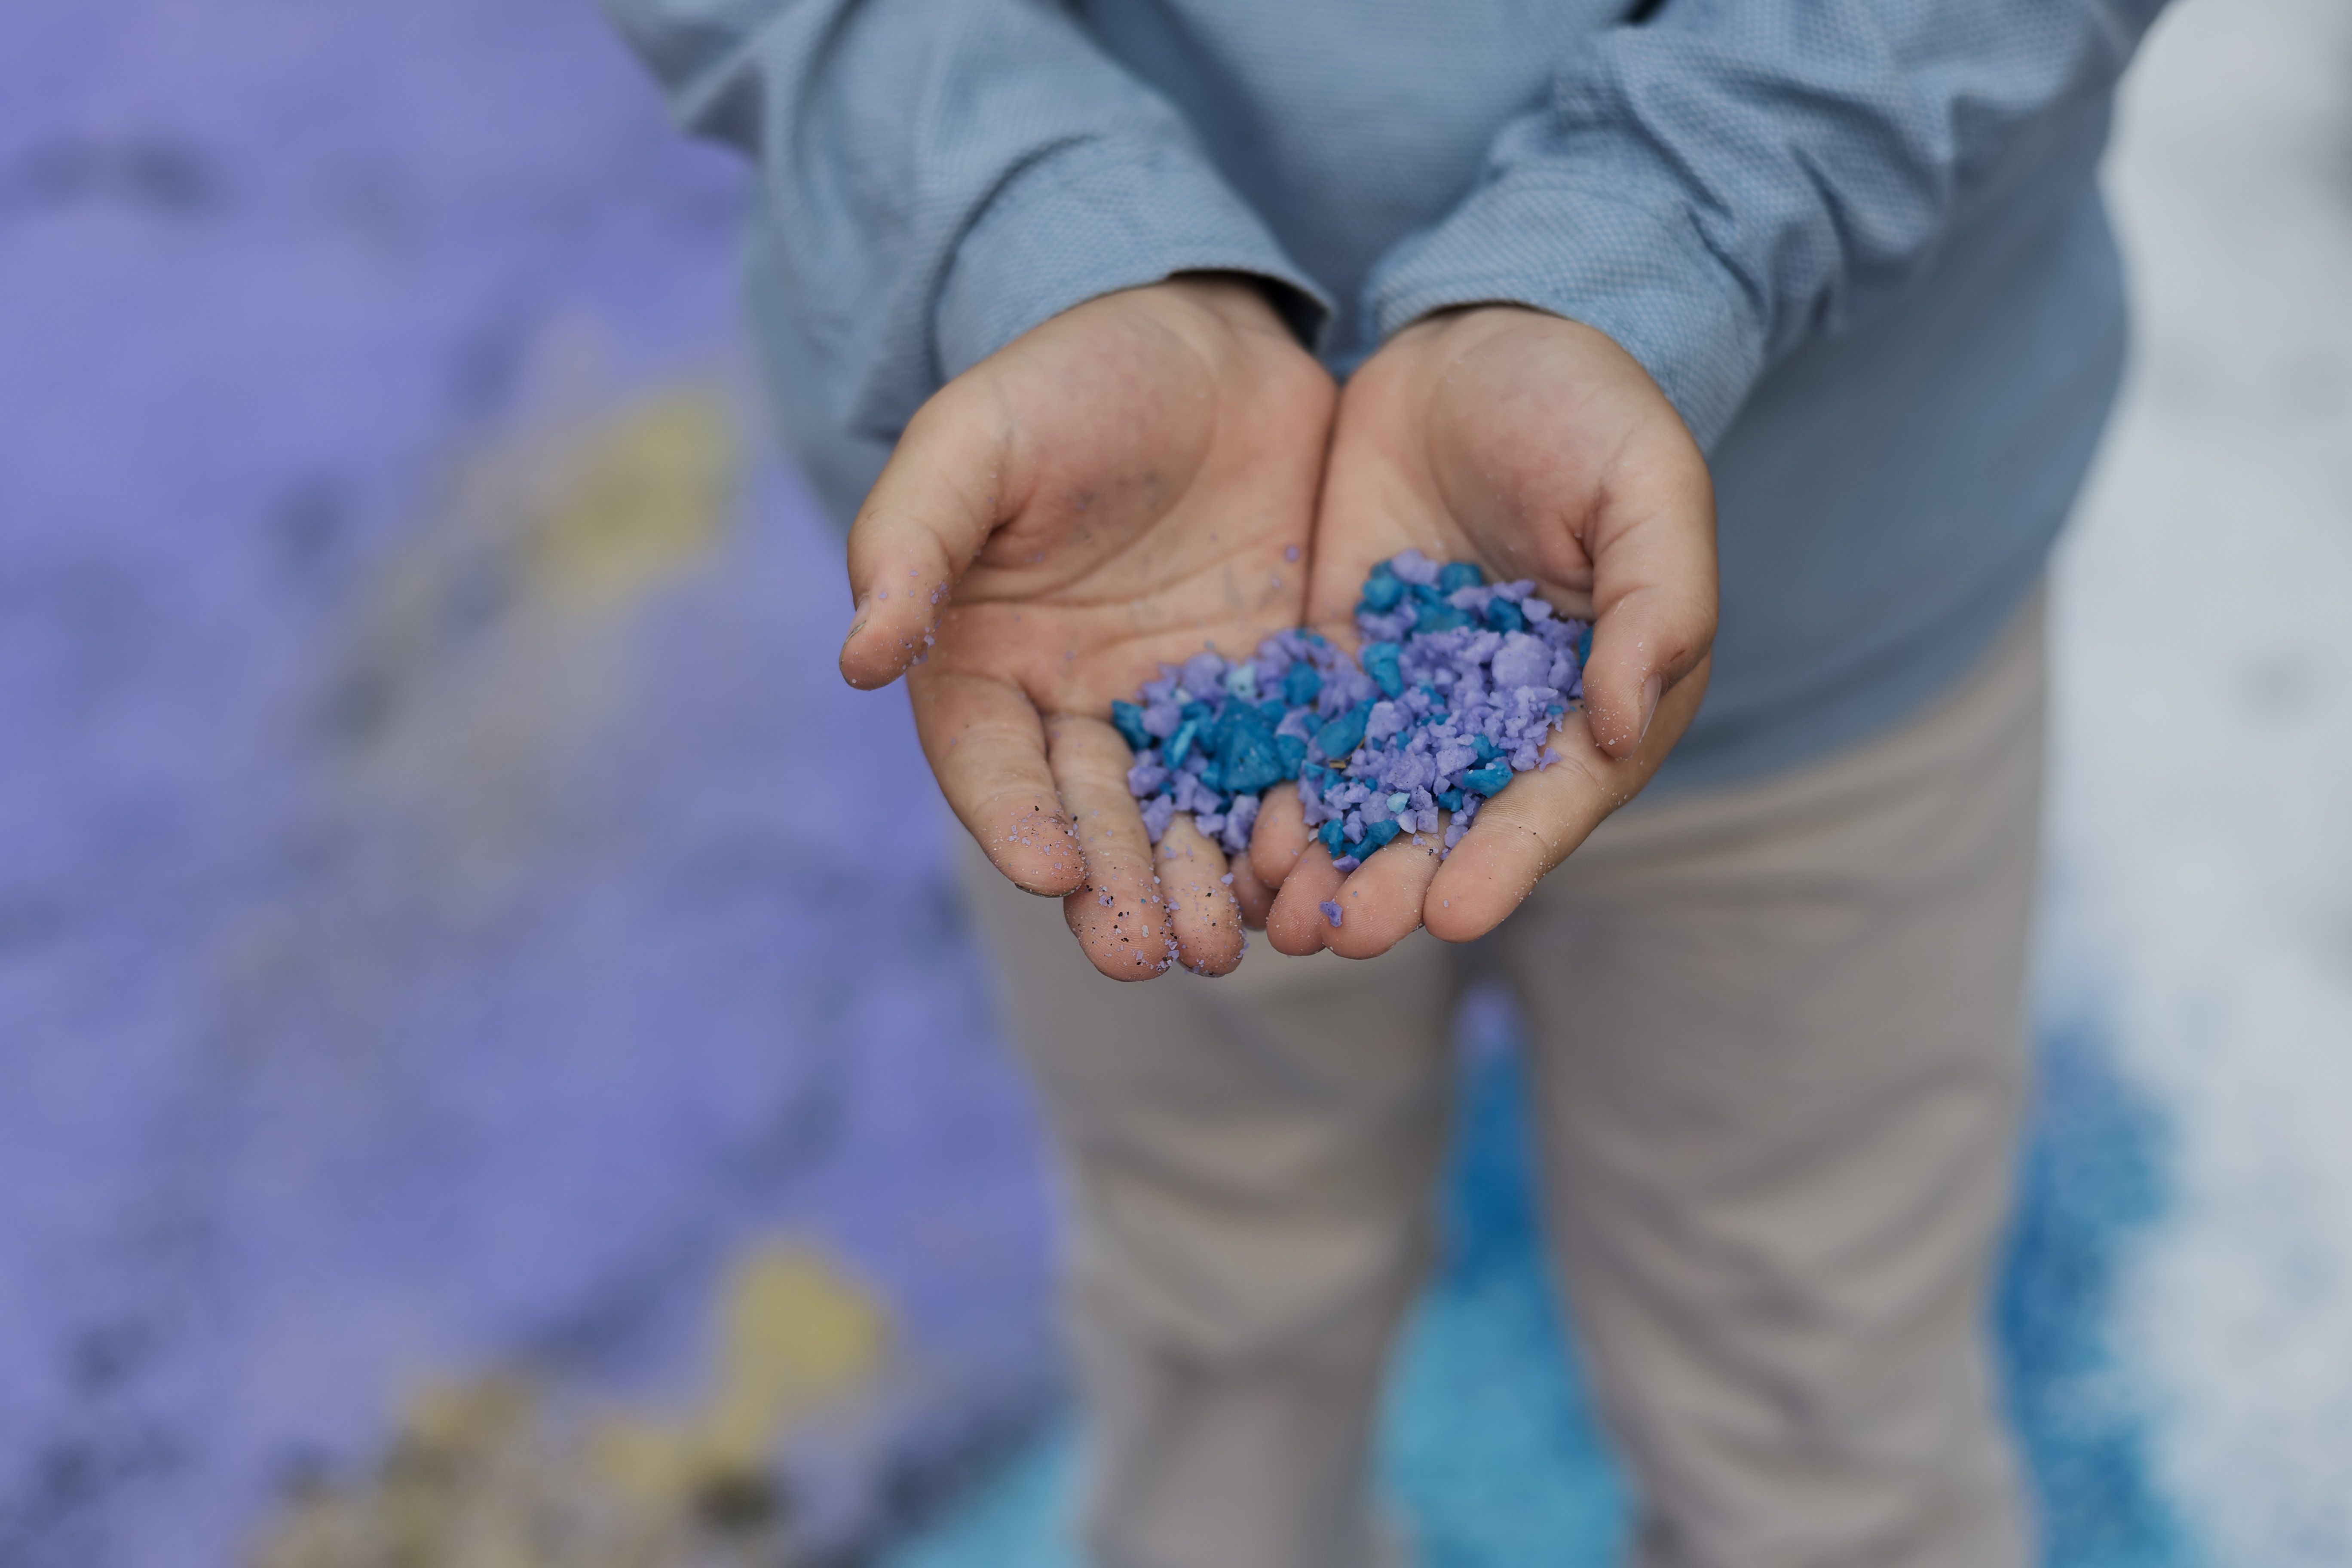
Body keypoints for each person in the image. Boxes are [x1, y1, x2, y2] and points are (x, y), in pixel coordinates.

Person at [603, 1, 2169, 1562]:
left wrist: (1662, 236)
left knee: (1817, 1393)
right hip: (1102, 594)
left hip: (1845, 579)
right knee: (1219, 1310)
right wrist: (1037, 228)